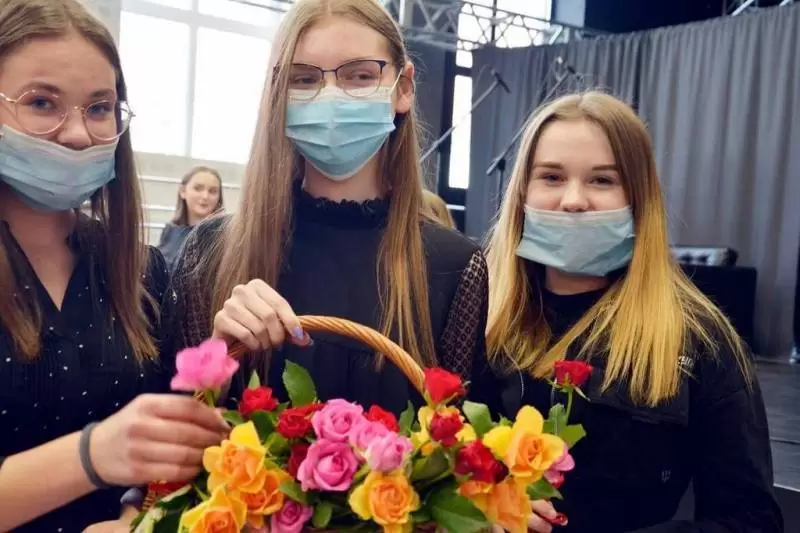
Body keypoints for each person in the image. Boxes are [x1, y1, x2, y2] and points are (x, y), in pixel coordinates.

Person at [163, 0, 495, 416]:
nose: (331, 97)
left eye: (360, 75)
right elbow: (169, 430)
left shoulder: (453, 265)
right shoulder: (212, 251)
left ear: (404, 88)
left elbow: (465, 438)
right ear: (278, 94)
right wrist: (216, 362)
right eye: (304, 79)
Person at [483, 91, 782, 532]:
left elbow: (751, 520)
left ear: (639, 198)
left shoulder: (697, 338)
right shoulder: (477, 314)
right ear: (522, 192)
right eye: (552, 176)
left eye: (602, 180)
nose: (573, 200)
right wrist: (477, 502)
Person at [0, 2, 228, 531]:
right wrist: (91, 456)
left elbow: (172, 445)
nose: (79, 133)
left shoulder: (140, 270)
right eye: (41, 103)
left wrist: (132, 516)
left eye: (99, 108)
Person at [158, 165, 224, 273]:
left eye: (213, 191)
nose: (205, 196)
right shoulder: (170, 231)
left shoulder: (224, 238)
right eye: (198, 188)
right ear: (183, 191)